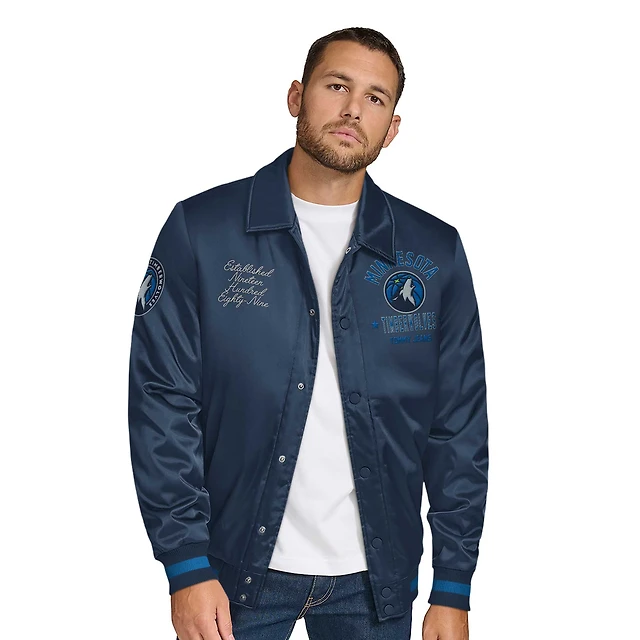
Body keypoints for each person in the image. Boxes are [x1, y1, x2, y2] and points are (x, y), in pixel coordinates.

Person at [128, 26, 489, 640]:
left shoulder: (433, 252)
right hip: (231, 574)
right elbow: (163, 403)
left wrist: (453, 585)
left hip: (377, 582)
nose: (353, 110)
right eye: (337, 86)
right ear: (296, 96)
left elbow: (458, 426)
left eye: (375, 98)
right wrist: (185, 564)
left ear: (392, 128)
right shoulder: (203, 231)